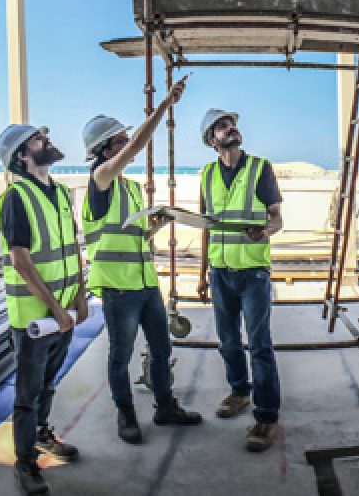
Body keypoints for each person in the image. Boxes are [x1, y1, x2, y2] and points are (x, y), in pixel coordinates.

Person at [81, 77, 203, 445]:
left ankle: (165, 407)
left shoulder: (130, 189)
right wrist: (167, 103)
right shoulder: (100, 180)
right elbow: (137, 146)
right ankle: (126, 414)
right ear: (105, 151)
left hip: (146, 283)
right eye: (118, 142)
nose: (126, 147)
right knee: (121, 355)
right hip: (118, 287)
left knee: (162, 347)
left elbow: (133, 235)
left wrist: (155, 226)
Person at [0, 124, 85, 495]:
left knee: (48, 382)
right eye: (37, 140)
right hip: (34, 317)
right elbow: (21, 260)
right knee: (28, 393)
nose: (46, 142)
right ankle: (26, 463)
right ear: (21, 155)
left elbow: (72, 248)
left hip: (63, 310)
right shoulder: (16, 198)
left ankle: (43, 434)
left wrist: (79, 297)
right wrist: (55, 310)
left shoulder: (61, 194)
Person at [194, 109, 285, 452]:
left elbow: (277, 219)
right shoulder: (206, 174)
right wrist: (202, 271)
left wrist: (265, 231)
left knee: (259, 345)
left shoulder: (260, 168)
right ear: (211, 139)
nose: (231, 129)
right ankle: (239, 392)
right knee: (228, 341)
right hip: (220, 272)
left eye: (232, 124)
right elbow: (206, 226)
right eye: (222, 126)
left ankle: (266, 416)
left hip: (253, 272)